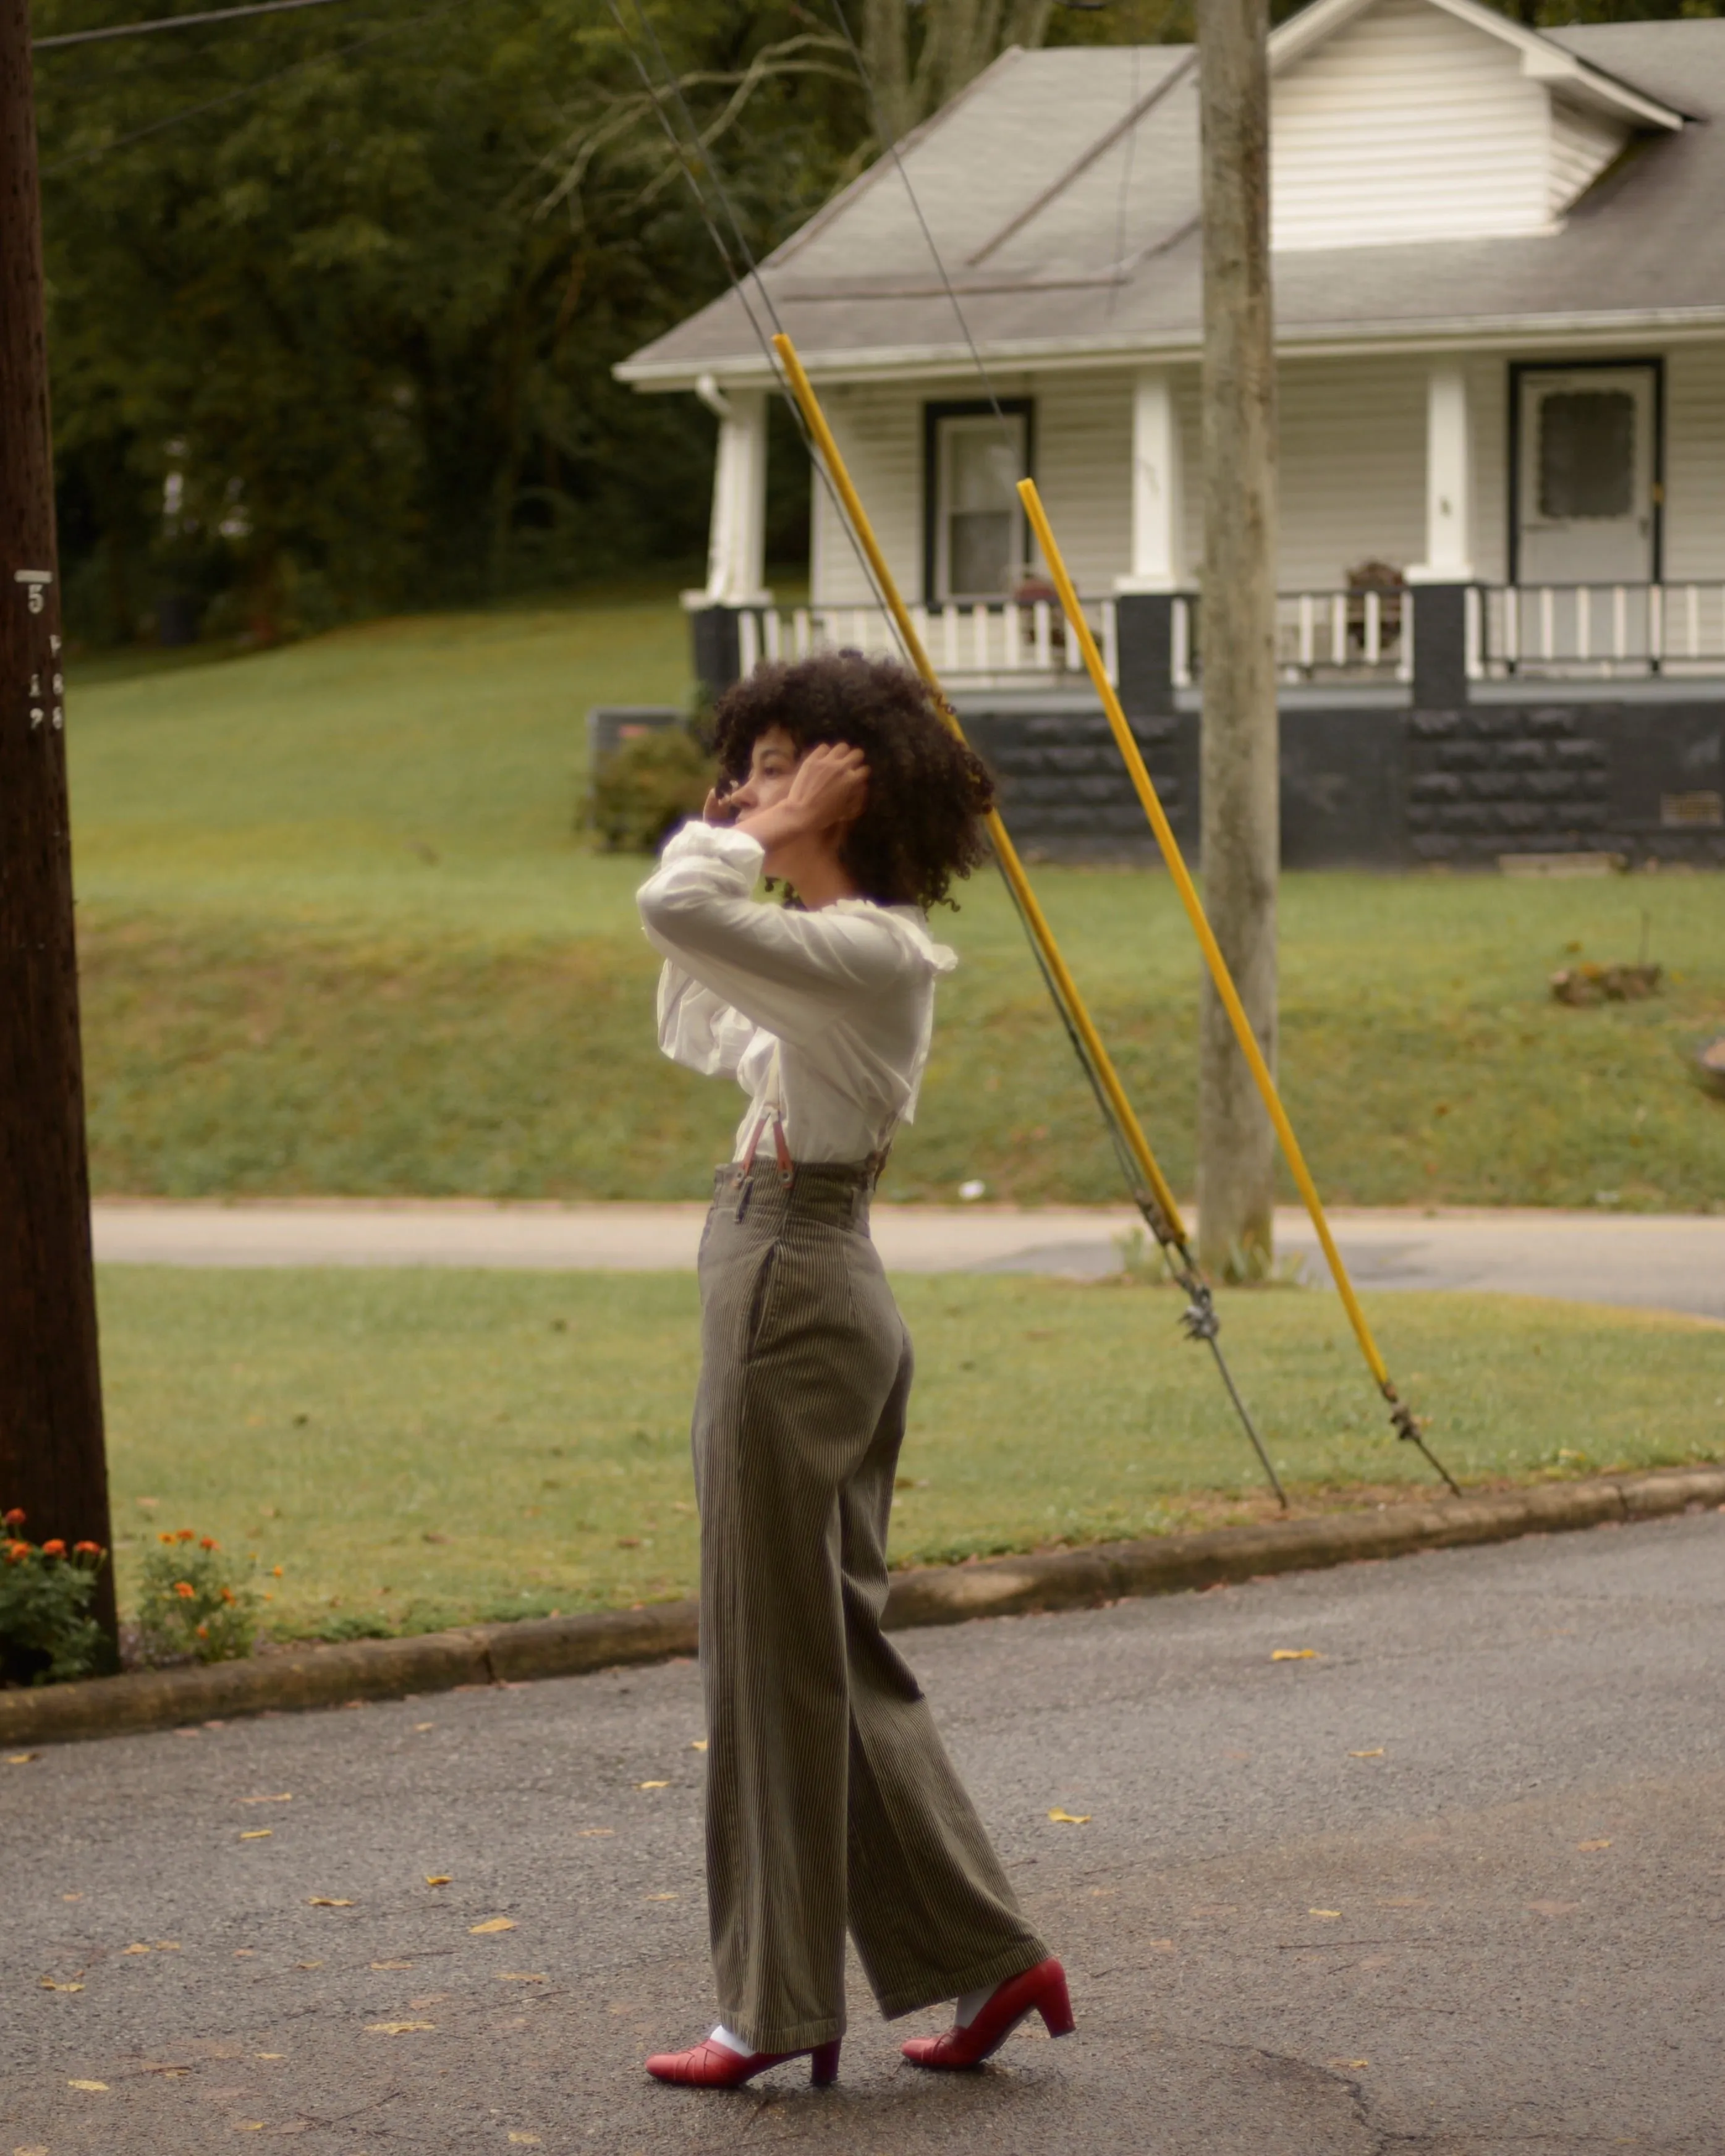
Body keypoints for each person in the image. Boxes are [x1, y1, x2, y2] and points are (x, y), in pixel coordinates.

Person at [634, 651, 1072, 2091]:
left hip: (789, 1285)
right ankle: (994, 1954)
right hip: (806, 1284)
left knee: (770, 1655)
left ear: (839, 784)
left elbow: (675, 900)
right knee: (828, 1646)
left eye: (772, 766)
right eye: (747, 769)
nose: (746, 791)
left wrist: (736, 846)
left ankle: (773, 2005)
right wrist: (744, 847)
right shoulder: (840, 958)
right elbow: (694, 1012)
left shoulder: (874, 950)